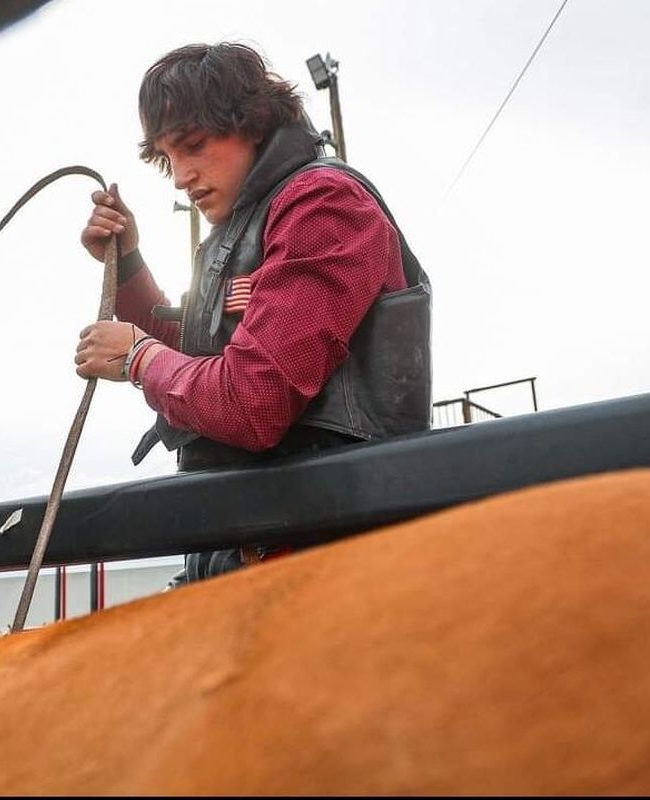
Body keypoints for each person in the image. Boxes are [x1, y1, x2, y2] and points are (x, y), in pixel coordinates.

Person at [73, 42, 432, 585]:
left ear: (255, 123)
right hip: (253, 541)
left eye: (194, 145)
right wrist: (128, 267)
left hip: (330, 555)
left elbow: (251, 401)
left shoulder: (324, 205)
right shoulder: (241, 229)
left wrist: (137, 357)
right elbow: (197, 357)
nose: (180, 176)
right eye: (169, 158)